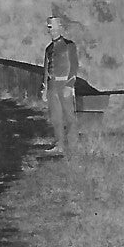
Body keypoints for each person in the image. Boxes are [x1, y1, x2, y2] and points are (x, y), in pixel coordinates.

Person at [41, 13, 79, 156]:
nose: (51, 31)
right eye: (49, 28)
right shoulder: (48, 49)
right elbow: (46, 70)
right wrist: (45, 88)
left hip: (64, 84)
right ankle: (59, 144)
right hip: (52, 85)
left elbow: (74, 66)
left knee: (69, 116)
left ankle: (73, 146)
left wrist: (70, 85)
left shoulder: (69, 45)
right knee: (56, 117)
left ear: (60, 28)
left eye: (53, 28)